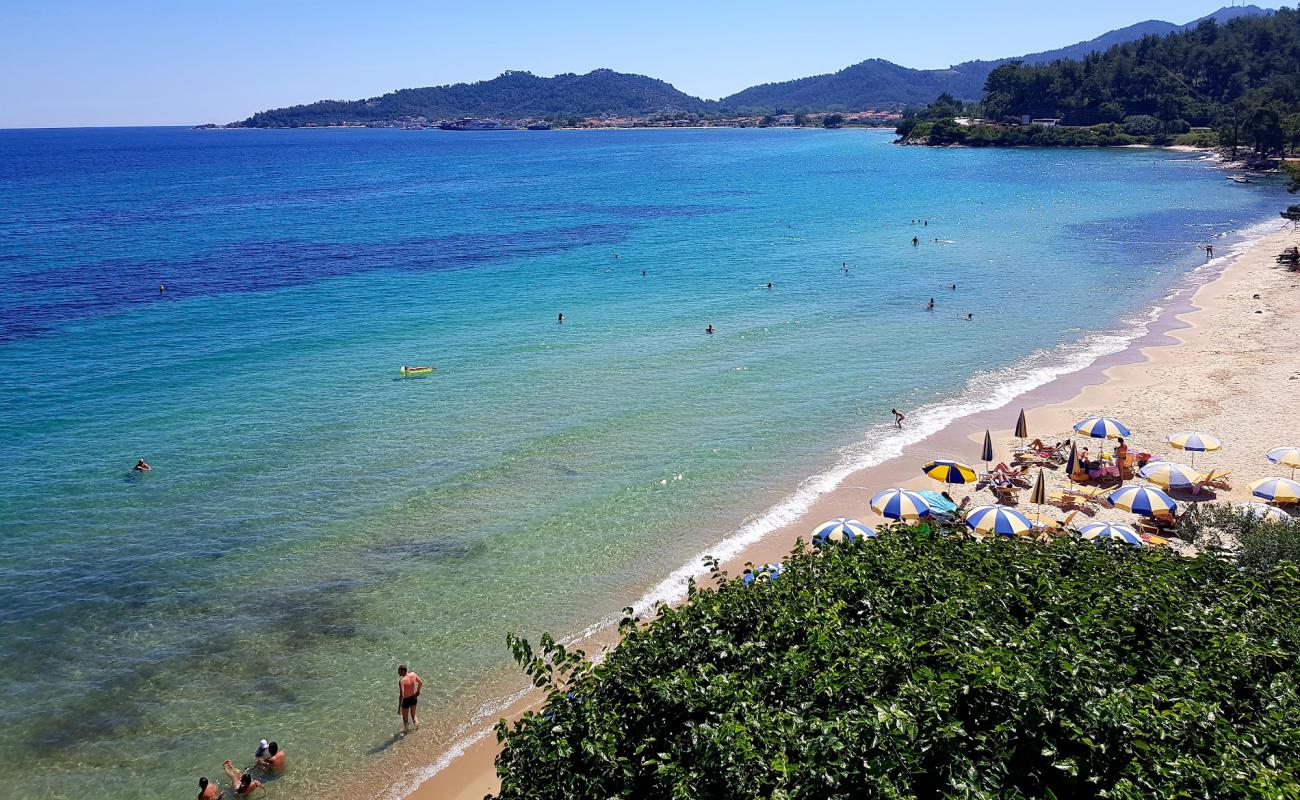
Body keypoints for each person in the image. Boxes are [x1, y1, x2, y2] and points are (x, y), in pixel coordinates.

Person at [398, 665, 423, 732]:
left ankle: (405, 731)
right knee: (414, 715)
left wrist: (399, 708)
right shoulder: (413, 674)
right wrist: (418, 691)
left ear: (403, 671)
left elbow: (402, 695)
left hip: (406, 700)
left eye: (399, 671)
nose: (398, 673)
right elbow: (420, 683)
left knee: (405, 719)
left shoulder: (402, 681)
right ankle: (417, 728)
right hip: (413, 697)